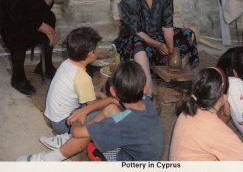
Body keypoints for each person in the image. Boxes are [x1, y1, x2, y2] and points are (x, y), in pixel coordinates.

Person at [17, 61, 165, 161]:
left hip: (128, 161)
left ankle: (47, 160)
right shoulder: (145, 100)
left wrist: (76, 119)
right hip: (143, 152)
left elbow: (78, 132)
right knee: (111, 109)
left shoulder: (123, 123)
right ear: (145, 88)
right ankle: (67, 141)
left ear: (113, 90)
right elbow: (113, 101)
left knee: (85, 137)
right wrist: (86, 110)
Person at [113, 0, 200, 97]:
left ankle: (183, 78)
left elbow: (167, 26)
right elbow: (137, 31)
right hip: (133, 37)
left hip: (157, 34)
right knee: (138, 42)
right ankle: (147, 90)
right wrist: (158, 44)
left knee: (188, 34)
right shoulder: (129, 0)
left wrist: (170, 47)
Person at [169, 67, 243, 161]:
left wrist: (226, 115)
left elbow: (212, 138)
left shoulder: (190, 109)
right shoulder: (215, 128)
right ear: (223, 97)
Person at [40, 27, 112, 147]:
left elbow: (75, 89)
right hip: (64, 123)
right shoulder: (83, 77)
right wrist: (109, 101)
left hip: (54, 116)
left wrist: (97, 94)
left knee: (97, 95)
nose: (98, 50)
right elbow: (92, 106)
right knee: (106, 114)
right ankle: (67, 138)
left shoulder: (67, 63)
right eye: (96, 48)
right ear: (90, 53)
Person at [0, 0, 57, 95]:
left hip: (25, 17)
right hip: (9, 21)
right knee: (18, 32)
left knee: (50, 17)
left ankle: (45, 65)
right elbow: (13, 13)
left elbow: (45, 7)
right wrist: (42, 26)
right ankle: (18, 77)